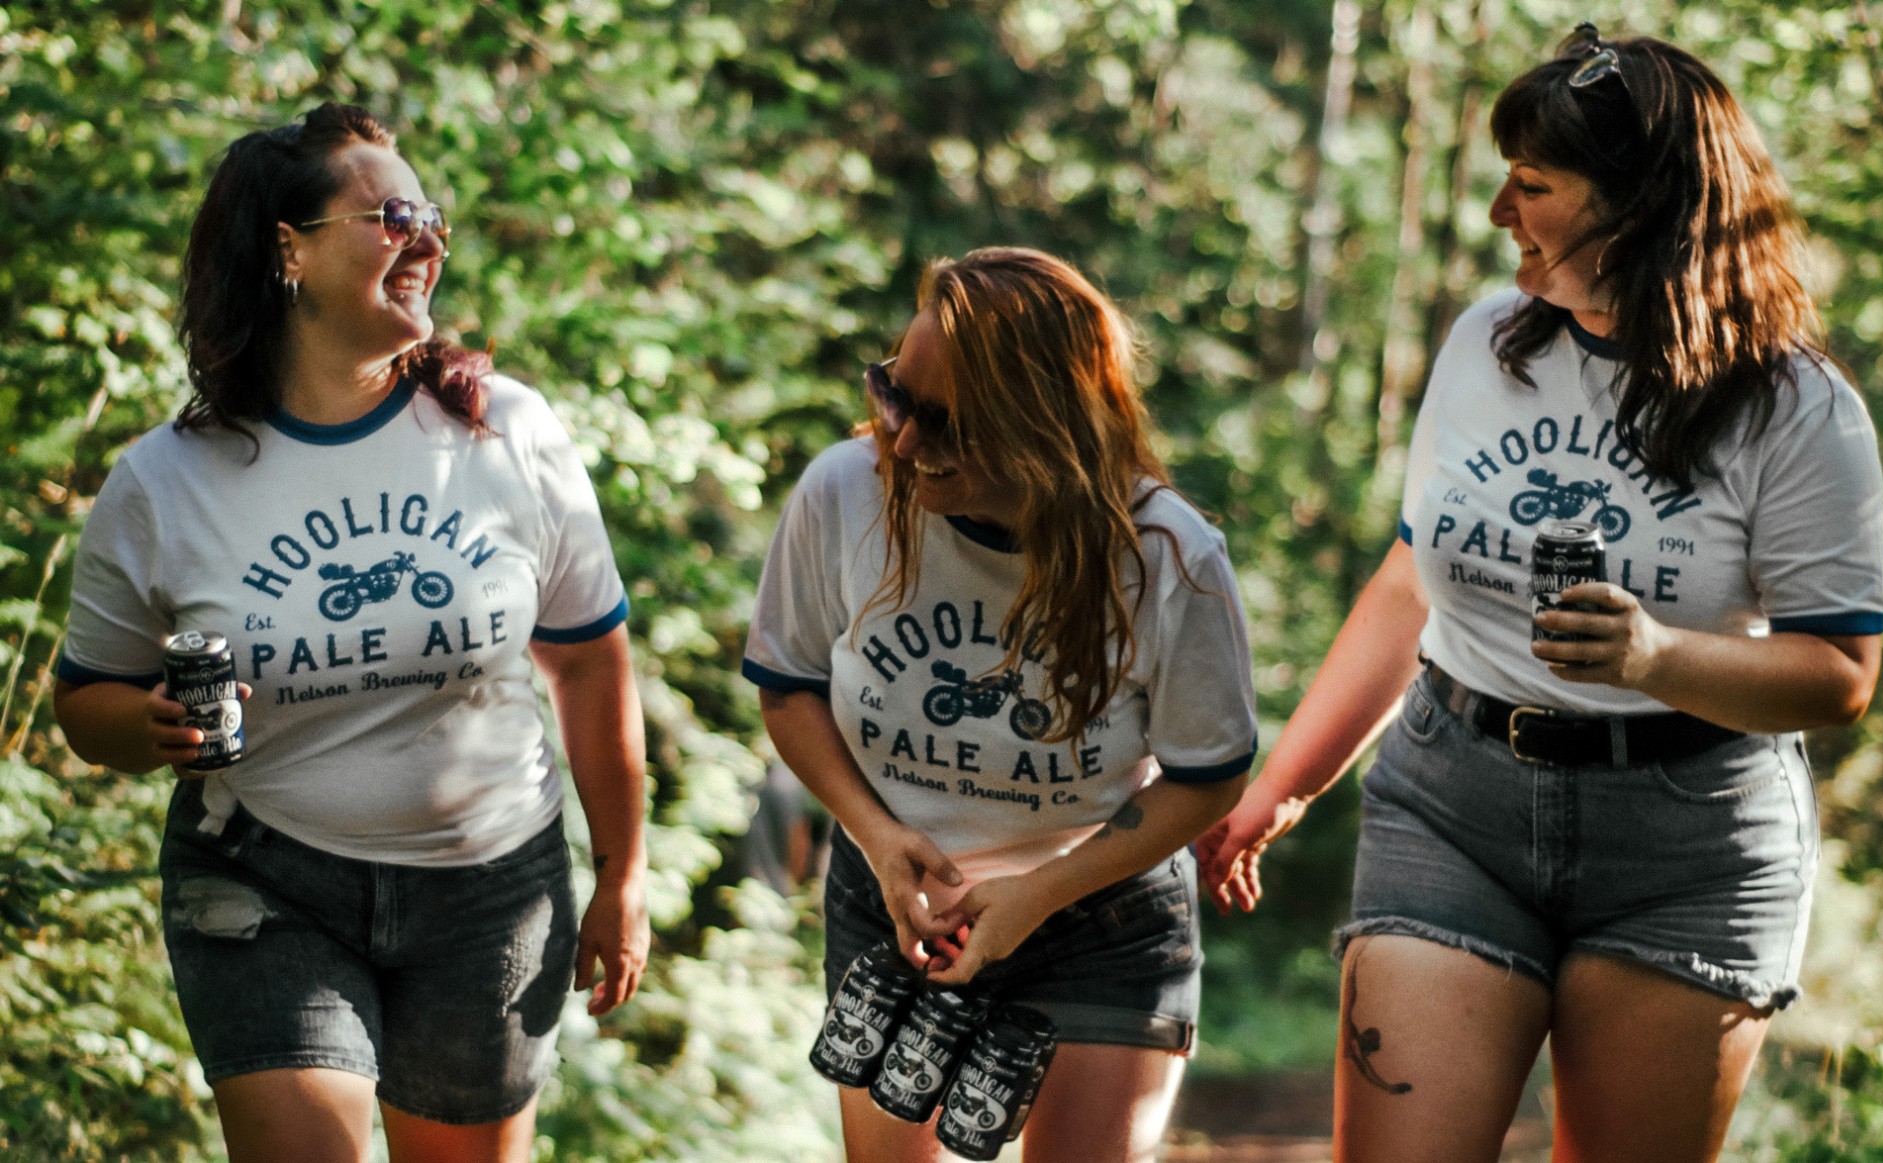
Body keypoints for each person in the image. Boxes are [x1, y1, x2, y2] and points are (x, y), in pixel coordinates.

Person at [1197, 26, 1883, 1163]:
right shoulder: (1485, 346)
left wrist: (1656, 655)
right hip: (1452, 806)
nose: (1497, 213)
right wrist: (1284, 784)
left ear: (1644, 207)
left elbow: (1838, 676)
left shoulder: (1798, 410)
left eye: (1532, 185)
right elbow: (1408, 582)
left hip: (1689, 842)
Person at [53, 103, 651, 1163]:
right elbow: (86, 702)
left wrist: (624, 869)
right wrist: (152, 727)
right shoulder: (164, 480)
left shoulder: (507, 430)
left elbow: (592, 663)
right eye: (391, 212)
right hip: (267, 878)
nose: (426, 238)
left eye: (433, 216)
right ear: (290, 248)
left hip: (492, 888)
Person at [745, 247, 1257, 1162]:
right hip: (901, 907)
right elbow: (788, 689)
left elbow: (1208, 777)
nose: (900, 441)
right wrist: (872, 832)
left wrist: (1038, 894)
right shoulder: (843, 491)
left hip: (1099, 911)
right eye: (893, 395)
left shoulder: (1166, 555)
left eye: (942, 422)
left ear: (1044, 425)